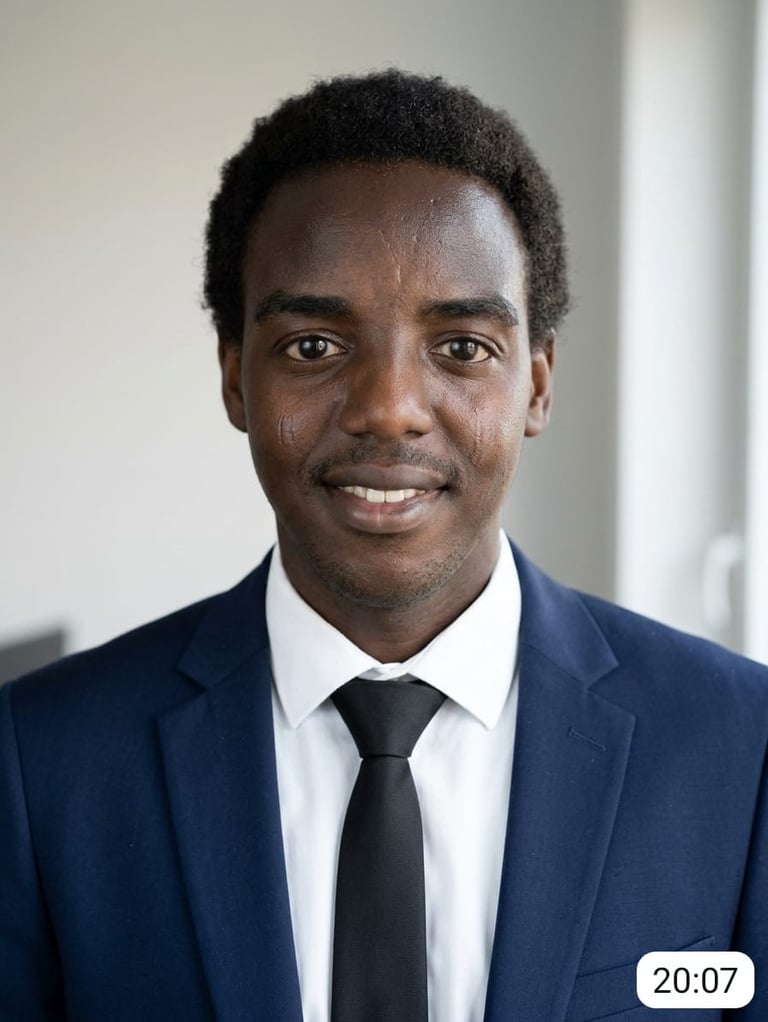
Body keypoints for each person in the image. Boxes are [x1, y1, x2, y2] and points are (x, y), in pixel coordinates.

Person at [1, 69, 766, 1022]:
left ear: (536, 383)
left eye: (463, 347)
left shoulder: (742, 745)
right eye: (314, 346)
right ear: (236, 379)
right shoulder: (42, 761)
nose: (390, 408)